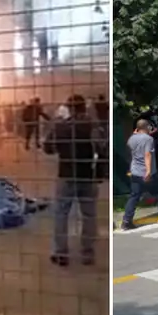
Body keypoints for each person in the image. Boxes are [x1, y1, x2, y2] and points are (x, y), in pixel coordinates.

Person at [44, 95, 100, 266]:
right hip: (87, 175)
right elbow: (102, 148)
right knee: (89, 215)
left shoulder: (61, 126)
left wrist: (54, 126)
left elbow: (48, 148)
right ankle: (87, 253)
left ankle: (61, 253)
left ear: (70, 108)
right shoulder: (93, 126)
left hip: (66, 175)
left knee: (61, 214)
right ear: (84, 107)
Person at [121, 119, 158, 231]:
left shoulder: (132, 138)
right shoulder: (149, 139)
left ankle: (126, 221)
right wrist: (148, 171)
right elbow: (147, 154)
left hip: (135, 172)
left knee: (134, 196)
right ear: (147, 127)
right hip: (146, 173)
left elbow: (131, 147)